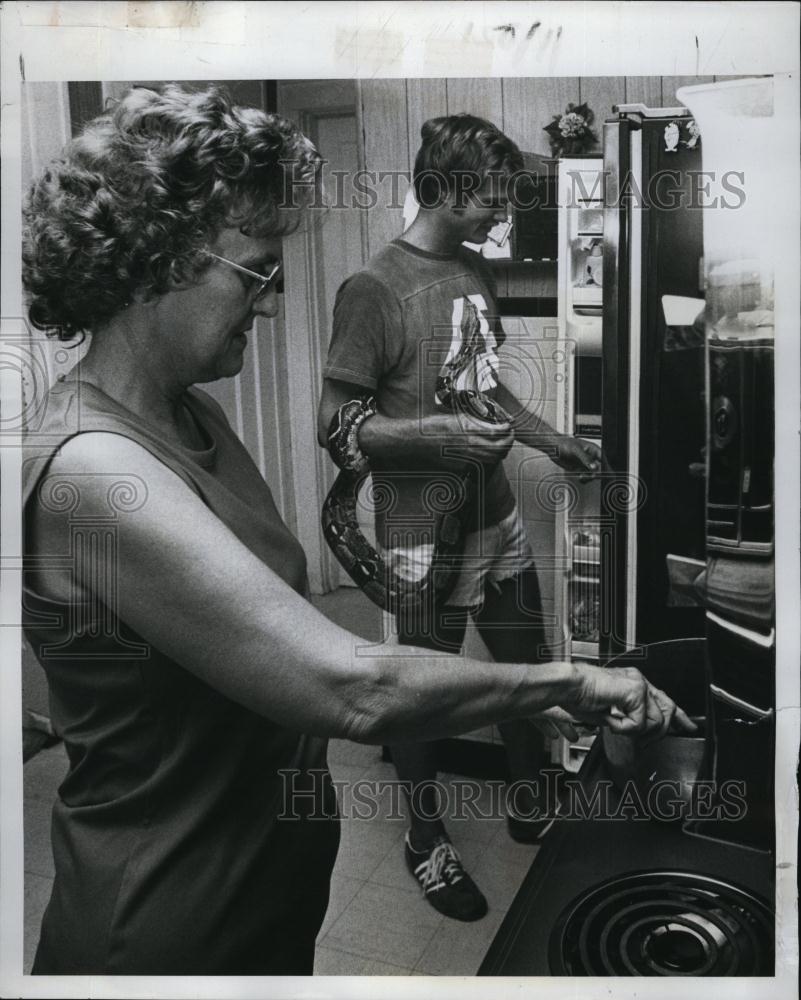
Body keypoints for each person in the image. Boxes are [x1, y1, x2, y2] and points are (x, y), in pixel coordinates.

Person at [21, 85, 692, 975]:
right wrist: (567, 680)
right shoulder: (93, 470)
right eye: (257, 271)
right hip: (163, 921)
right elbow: (350, 688)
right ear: (159, 262)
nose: (270, 305)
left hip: (261, 886)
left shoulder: (194, 419)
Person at [318, 114, 606, 922]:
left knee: (523, 662)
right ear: (441, 189)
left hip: (494, 514)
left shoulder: (473, 274)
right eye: (489, 200)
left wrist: (552, 443)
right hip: (416, 527)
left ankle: (528, 796)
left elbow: (484, 386)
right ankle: (424, 839)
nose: (500, 216)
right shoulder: (372, 288)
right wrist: (432, 433)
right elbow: (334, 423)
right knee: (420, 692)